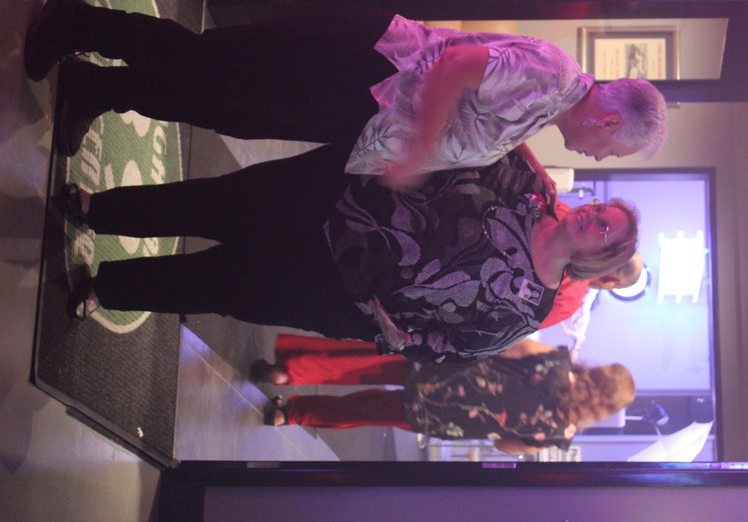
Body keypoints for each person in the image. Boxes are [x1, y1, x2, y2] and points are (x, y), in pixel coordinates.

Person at [24, 0, 669, 187]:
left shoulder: (548, 107)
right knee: (210, 68)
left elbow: (480, 106)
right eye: (613, 151)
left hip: (359, 103)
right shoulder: (553, 79)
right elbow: (458, 67)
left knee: (226, 107)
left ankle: (97, 89)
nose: (599, 158)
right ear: (610, 122)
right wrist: (420, 150)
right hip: (361, 73)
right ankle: (77, 22)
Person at [64, 147, 640, 363]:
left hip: (343, 291)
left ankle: (108, 289)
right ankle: (100, 209)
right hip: (333, 196)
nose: (591, 217)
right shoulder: (529, 188)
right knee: (215, 204)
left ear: (600, 259)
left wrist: (398, 336)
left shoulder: (527, 307)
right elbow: (465, 144)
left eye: (603, 230)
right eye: (600, 210)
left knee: (219, 285)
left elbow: (455, 348)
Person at [248, 251, 645, 386]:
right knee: (368, 346)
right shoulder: (570, 301)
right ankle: (291, 368)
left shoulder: (568, 230)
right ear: (611, 282)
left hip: (438, 253)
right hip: (447, 316)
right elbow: (510, 332)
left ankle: (260, 271)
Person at [260, 339, 636, 456]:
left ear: (599, 372)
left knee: (363, 367)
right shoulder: (561, 433)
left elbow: (512, 347)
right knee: (365, 413)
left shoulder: (557, 364)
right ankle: (290, 415)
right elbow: (506, 446)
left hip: (447, 372)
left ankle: (288, 372)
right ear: (605, 409)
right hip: (446, 418)